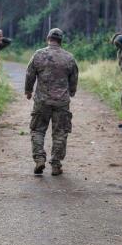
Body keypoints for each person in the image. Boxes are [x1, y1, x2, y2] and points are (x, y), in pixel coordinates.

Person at [25, 28, 78, 176]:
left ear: (48, 38)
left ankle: (39, 159)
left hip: (42, 100)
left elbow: (30, 74)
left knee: (37, 130)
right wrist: (71, 91)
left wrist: (28, 90)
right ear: (61, 40)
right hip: (61, 101)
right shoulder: (69, 57)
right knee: (60, 132)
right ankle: (56, 164)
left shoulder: (39, 54)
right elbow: (74, 78)